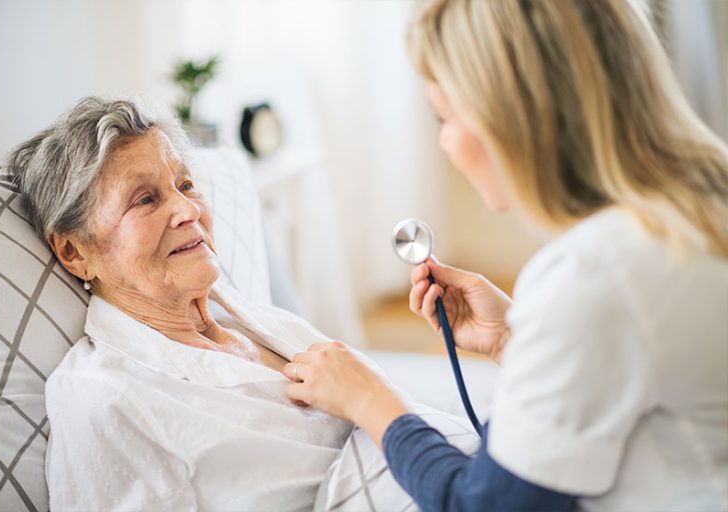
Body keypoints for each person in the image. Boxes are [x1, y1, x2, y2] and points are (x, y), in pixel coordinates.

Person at [282, 0, 728, 511]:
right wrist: (518, 338)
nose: (446, 143)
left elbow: (481, 506)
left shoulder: (593, 273)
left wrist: (370, 400)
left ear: (509, 116)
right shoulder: (699, 203)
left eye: (444, 116)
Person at [8, 98, 356, 511]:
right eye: (144, 200)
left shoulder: (243, 315)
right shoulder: (103, 400)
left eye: (186, 185)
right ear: (73, 252)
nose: (188, 210)